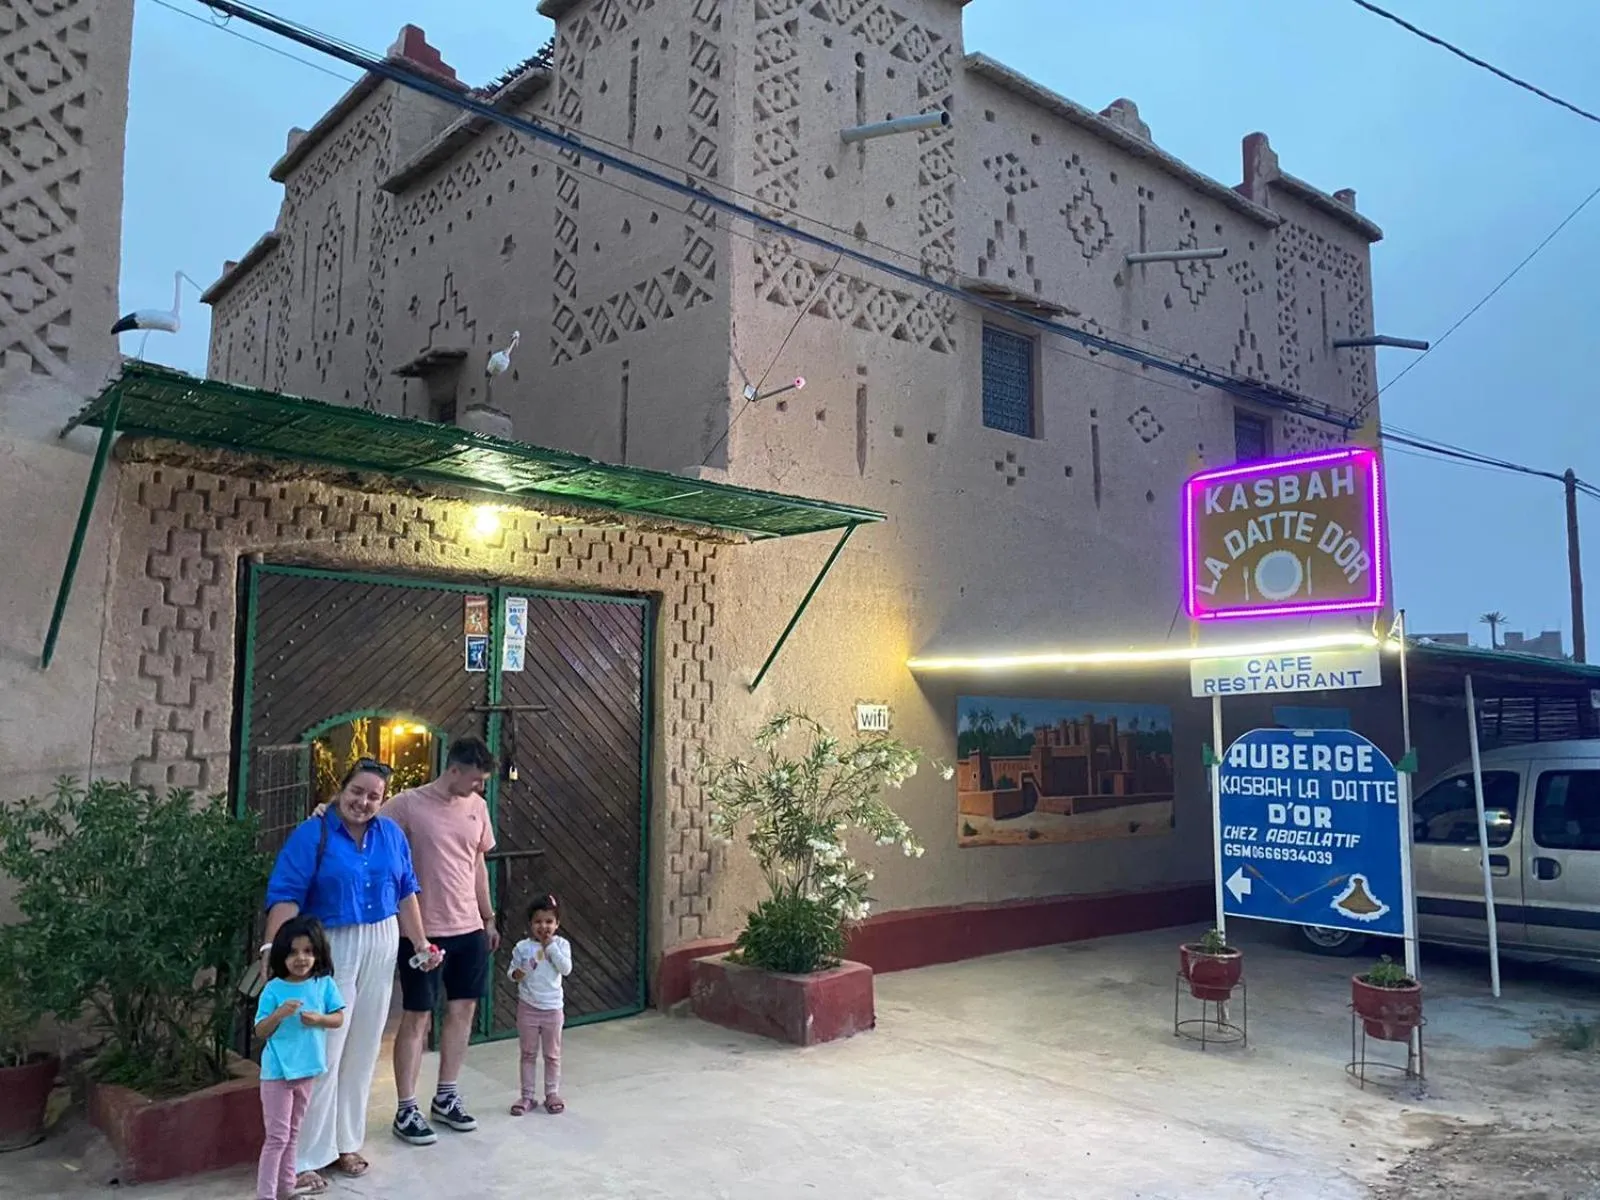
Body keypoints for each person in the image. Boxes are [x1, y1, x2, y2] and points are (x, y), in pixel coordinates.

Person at [262, 759, 437, 1195]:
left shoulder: (391, 835)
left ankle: (345, 1143)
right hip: (329, 944)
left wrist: (419, 943)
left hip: (381, 941)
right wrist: (272, 951)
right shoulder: (313, 833)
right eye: (357, 791)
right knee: (322, 1050)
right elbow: (285, 894)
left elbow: (406, 891)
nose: (363, 802)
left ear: (383, 801)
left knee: (363, 1048)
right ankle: (303, 1157)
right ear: (341, 789)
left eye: (374, 796)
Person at [382, 736, 499, 1146]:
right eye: (475, 779)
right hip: (422, 933)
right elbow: (365, 826)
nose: (479, 787)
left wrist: (488, 917)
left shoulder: (478, 808)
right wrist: (326, 812)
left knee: (462, 1011)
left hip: (468, 928)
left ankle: (446, 1097)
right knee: (417, 1017)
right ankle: (406, 1108)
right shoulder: (408, 805)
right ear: (454, 769)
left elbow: (478, 864)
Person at [254, 917, 344, 1200]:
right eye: (293, 952)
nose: (301, 958)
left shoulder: (324, 984)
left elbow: (338, 1018)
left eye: (308, 951)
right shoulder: (273, 989)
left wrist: (319, 1018)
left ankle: (286, 1188)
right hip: (278, 1073)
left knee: (293, 1134)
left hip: (306, 1070)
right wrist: (279, 1014)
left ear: (318, 953)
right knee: (277, 1137)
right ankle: (265, 1195)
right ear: (282, 955)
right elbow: (260, 1030)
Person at [507, 893, 573, 1116]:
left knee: (552, 1054)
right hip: (528, 1008)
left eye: (549, 921)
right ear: (530, 924)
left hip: (553, 1009)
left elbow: (566, 969)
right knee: (527, 1053)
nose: (543, 926)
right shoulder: (522, 947)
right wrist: (519, 972)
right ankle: (527, 1096)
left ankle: (552, 1093)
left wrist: (550, 947)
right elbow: (513, 974)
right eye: (538, 922)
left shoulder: (562, 945)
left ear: (557, 924)